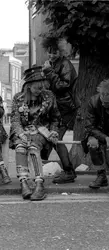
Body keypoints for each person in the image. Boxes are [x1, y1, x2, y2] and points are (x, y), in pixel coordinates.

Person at [10, 66, 60, 201]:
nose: (41, 91)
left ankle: (39, 184)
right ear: (28, 86)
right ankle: (24, 183)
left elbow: (55, 118)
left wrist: (54, 131)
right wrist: (20, 134)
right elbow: (15, 120)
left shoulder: (49, 96)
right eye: (38, 88)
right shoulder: (18, 98)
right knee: (20, 147)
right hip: (23, 132)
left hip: (41, 131)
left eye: (43, 87)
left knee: (33, 148)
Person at [41, 37, 79, 184]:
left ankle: (69, 172)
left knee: (57, 139)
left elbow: (63, 86)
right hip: (57, 107)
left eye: (54, 52)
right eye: (49, 52)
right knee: (55, 138)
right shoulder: (52, 64)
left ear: (60, 51)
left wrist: (49, 73)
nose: (51, 55)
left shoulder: (65, 64)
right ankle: (68, 171)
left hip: (66, 108)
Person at [83, 79, 109, 189]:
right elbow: (89, 126)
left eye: (107, 103)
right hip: (97, 132)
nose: (104, 104)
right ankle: (101, 175)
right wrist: (105, 137)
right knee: (92, 144)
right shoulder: (93, 101)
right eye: (103, 101)